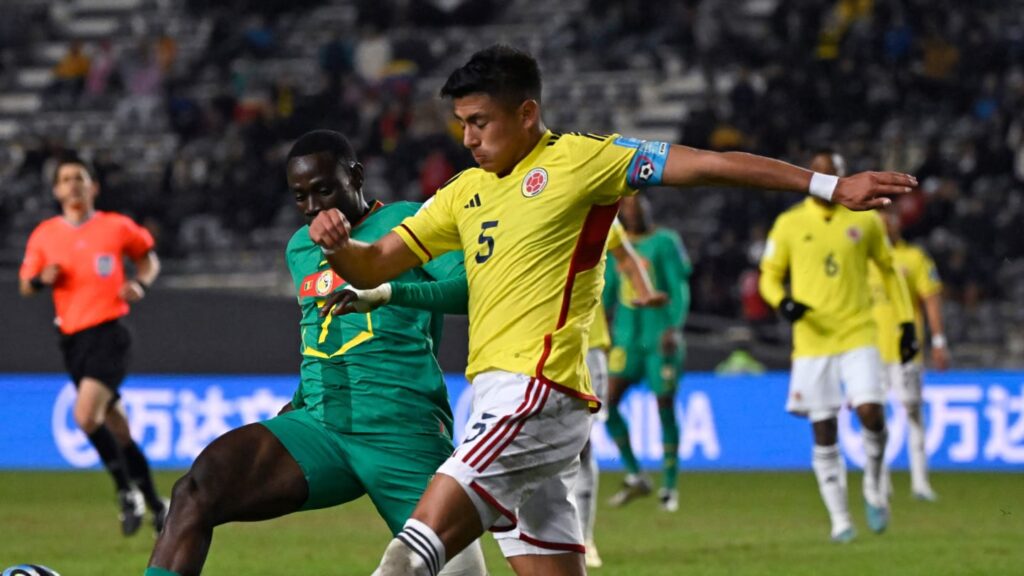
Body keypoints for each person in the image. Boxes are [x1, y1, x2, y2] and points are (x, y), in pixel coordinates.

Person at [308, 46, 916, 576]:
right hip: (494, 395)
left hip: (539, 392)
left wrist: (827, 187)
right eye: (461, 124)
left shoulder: (584, 161)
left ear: (527, 114)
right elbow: (375, 263)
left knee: (408, 559)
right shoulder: (463, 192)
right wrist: (342, 247)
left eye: (480, 122)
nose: (468, 138)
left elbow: (704, 164)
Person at [144, 131, 486, 576]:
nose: (312, 206)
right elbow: (319, 333)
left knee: (461, 572)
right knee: (196, 491)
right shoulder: (301, 247)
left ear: (356, 176)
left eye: (324, 189)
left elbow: (470, 292)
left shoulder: (410, 222)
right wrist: (303, 399)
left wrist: (387, 291)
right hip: (321, 425)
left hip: (400, 427)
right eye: (300, 195)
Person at [758, 150, 918, 543]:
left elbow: (889, 270)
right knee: (824, 428)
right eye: (819, 172)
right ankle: (840, 519)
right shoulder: (789, 224)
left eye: (832, 172)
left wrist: (906, 322)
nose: (825, 178)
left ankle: (875, 483)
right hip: (813, 341)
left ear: (844, 176)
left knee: (870, 411)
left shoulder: (867, 220)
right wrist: (783, 302)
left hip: (858, 331)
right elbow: (769, 276)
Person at [19, 154, 166, 536]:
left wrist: (141, 283)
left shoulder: (115, 227)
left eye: (80, 178)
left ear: (93, 186)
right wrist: (40, 280)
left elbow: (148, 259)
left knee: (85, 416)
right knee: (118, 429)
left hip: (108, 333)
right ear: (56, 190)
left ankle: (125, 493)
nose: (73, 185)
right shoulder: (45, 235)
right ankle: (156, 503)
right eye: (65, 179)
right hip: (71, 339)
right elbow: (26, 283)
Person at [578, 218, 665, 568]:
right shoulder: (522, 198)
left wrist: (643, 290)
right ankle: (533, 537)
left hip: (588, 347)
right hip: (531, 346)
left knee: (581, 446)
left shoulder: (594, 204)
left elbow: (626, 256)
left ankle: (583, 538)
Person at [604, 194, 692, 513]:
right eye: (627, 209)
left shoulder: (665, 242)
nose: (633, 213)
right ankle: (635, 473)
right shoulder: (615, 245)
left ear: (649, 209)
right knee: (606, 403)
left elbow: (679, 288)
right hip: (627, 339)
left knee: (664, 405)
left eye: (639, 207)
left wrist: (674, 327)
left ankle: (669, 485)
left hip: (658, 337)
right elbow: (608, 293)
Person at [869, 207, 949, 501]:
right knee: (874, 418)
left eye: (886, 219)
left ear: (896, 223)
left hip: (906, 351)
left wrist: (938, 341)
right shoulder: (863, 262)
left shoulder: (913, 258)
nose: (882, 225)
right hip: (870, 351)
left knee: (913, 413)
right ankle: (880, 483)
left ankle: (920, 482)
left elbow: (931, 300)